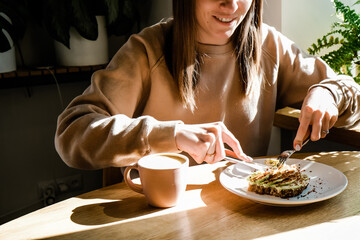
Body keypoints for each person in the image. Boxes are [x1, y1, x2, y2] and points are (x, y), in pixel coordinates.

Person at [55, 0, 360, 170]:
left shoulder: (270, 46)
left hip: (246, 218)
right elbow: (73, 133)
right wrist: (169, 134)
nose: (232, 5)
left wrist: (329, 92)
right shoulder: (147, 50)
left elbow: (350, 92)